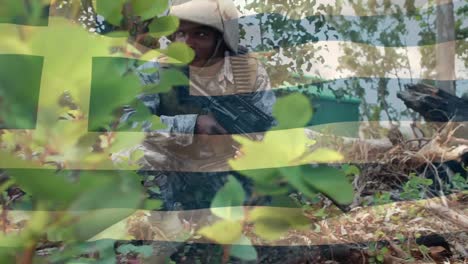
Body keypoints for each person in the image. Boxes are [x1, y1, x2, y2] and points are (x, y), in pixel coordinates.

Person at [123, 0, 276, 213]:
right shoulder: (156, 69)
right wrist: (192, 126)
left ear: (222, 40)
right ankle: (166, 227)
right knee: (130, 153)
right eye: (180, 34)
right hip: (174, 164)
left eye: (200, 35)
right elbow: (128, 123)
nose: (187, 43)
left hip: (225, 167)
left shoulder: (247, 72)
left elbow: (270, 128)